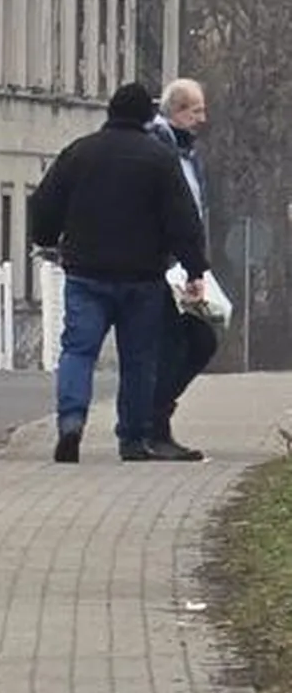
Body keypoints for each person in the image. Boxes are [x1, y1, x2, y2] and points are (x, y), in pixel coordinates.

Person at [28, 79, 209, 464]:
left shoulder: (80, 153)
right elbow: (182, 219)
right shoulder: (159, 160)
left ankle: (71, 423)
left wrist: (46, 237)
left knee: (78, 351)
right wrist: (195, 268)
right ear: (147, 116)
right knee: (139, 359)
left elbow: (43, 204)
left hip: (85, 274)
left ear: (110, 112)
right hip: (141, 277)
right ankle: (133, 438)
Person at [145, 78, 216, 461]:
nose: (202, 119)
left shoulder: (190, 154)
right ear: (176, 111)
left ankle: (156, 417)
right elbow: (171, 212)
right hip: (159, 267)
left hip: (182, 267)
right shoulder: (159, 148)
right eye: (196, 110)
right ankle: (152, 424)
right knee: (173, 345)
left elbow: (195, 212)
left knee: (199, 340)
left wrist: (197, 267)